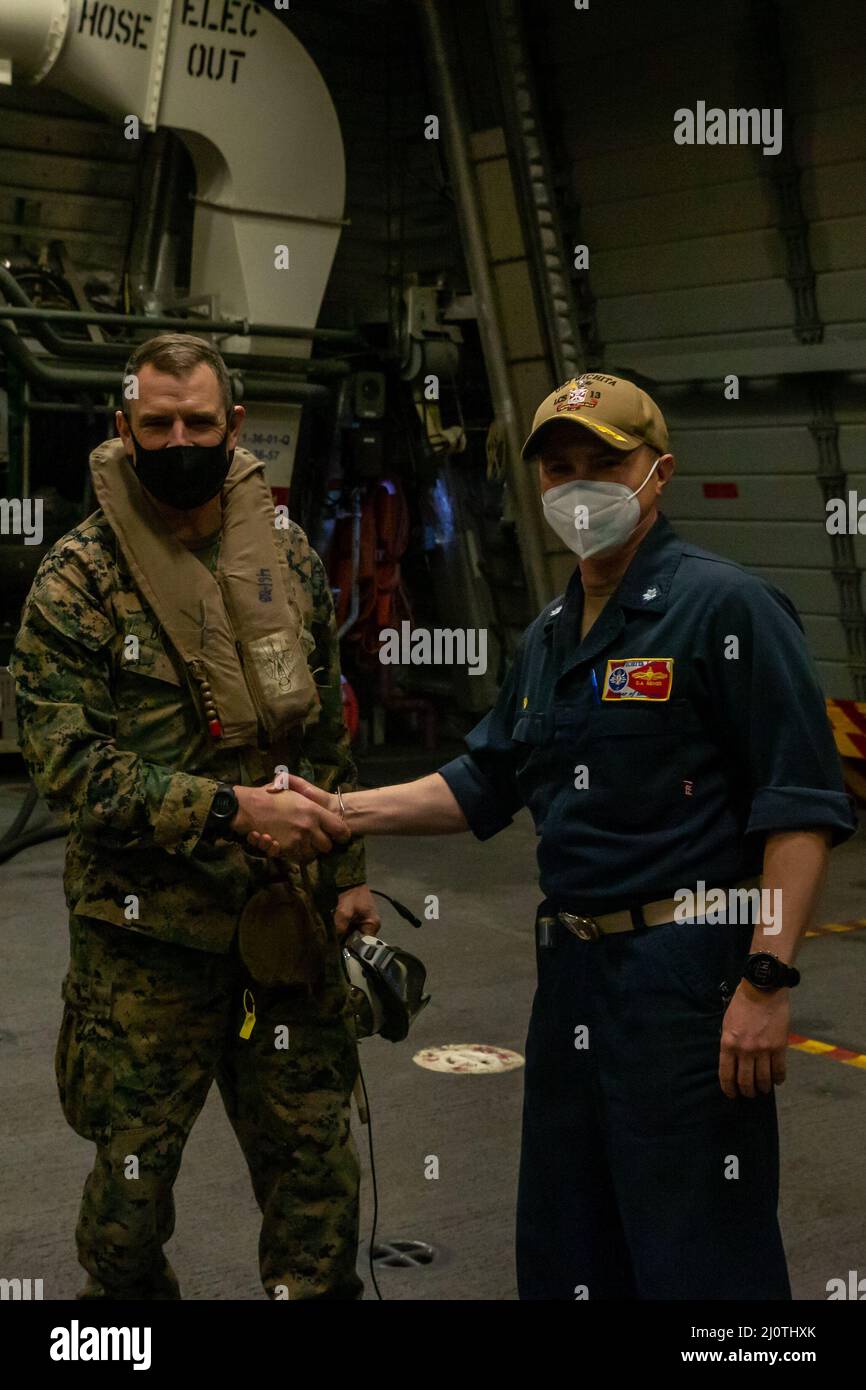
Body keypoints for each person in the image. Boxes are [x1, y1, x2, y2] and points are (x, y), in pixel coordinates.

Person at [251, 372, 859, 1300]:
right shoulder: (548, 634)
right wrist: (339, 811)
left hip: (685, 978)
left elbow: (801, 805)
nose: (579, 486)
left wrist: (767, 980)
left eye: (602, 464)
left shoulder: (726, 609)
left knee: (702, 1254)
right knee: (572, 1246)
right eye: (559, 468)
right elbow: (489, 777)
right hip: (572, 975)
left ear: (660, 473)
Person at [9, 333, 381, 1301]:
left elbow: (327, 738)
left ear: (234, 427)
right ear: (123, 428)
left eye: (199, 422)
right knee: (126, 1222)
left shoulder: (287, 560)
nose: (180, 438)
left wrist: (347, 877)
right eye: (159, 422)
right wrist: (226, 809)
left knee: (317, 1189)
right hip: (143, 954)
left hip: (283, 934)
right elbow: (69, 769)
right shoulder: (77, 580)